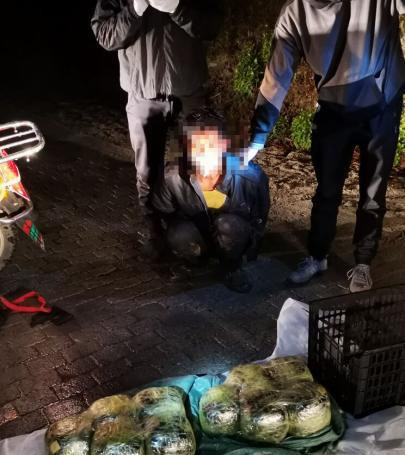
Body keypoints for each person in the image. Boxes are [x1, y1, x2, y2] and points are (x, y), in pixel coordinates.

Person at [246, 0, 404, 293]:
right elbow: (277, 73)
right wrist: (259, 134)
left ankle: (363, 262)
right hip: (333, 106)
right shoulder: (295, 12)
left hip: (381, 104)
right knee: (327, 190)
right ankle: (317, 256)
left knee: (373, 192)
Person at [91, 0, 223, 257]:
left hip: (189, 87)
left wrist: (177, 8)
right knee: (147, 169)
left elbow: (212, 25)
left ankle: (201, 225)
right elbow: (105, 35)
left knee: (202, 165)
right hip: (142, 92)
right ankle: (152, 226)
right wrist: (135, 9)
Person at [151, 110, 270, 293]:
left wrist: (250, 248)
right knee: (178, 233)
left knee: (228, 225)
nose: (205, 152)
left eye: (212, 145)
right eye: (197, 145)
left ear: (224, 145)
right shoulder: (172, 176)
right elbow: (163, 214)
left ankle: (232, 267)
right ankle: (196, 261)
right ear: (187, 147)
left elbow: (259, 218)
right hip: (198, 234)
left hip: (233, 236)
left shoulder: (250, 176)